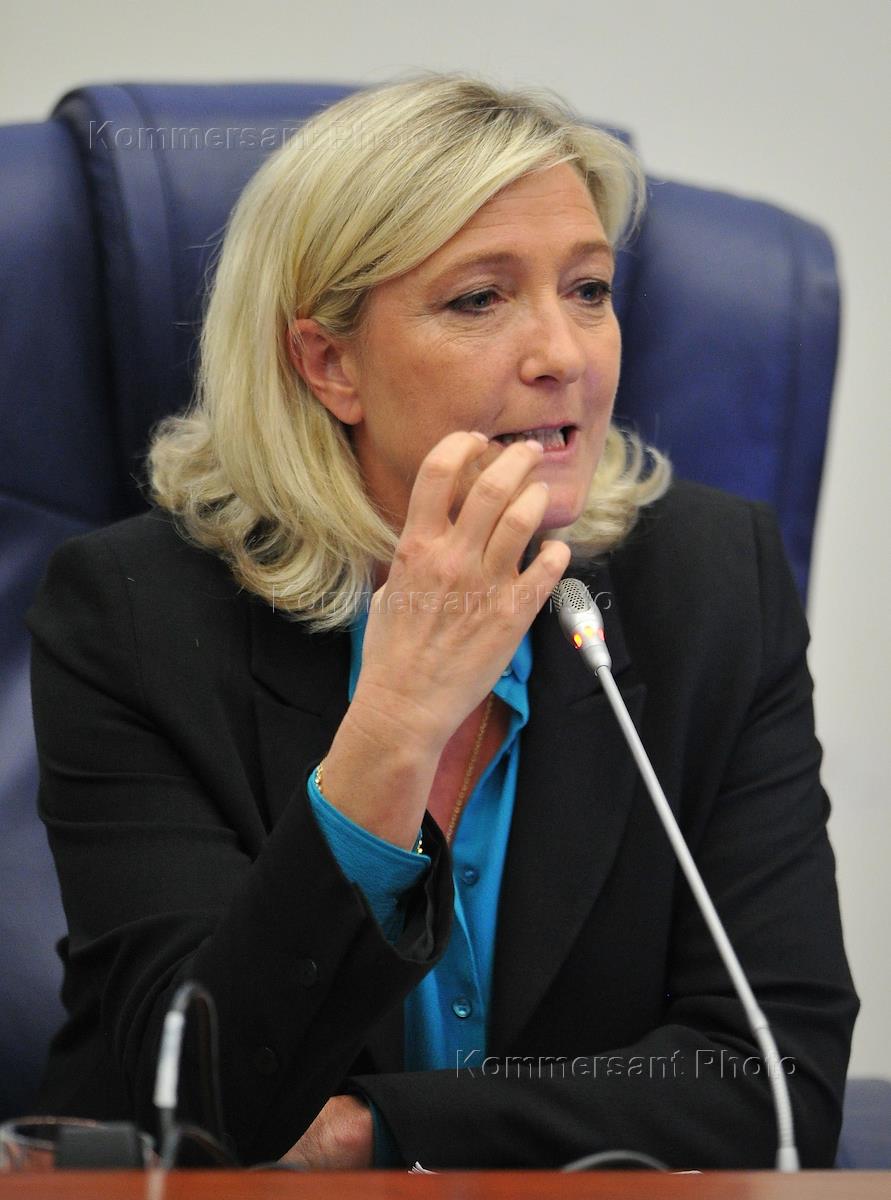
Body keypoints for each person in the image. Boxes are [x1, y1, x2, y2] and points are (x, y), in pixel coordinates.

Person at [27, 74, 857, 1170]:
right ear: (328, 364)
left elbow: (777, 1078)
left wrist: (374, 1133)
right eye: (479, 300)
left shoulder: (710, 586)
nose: (564, 354)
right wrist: (398, 723)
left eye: (590, 289)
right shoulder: (130, 616)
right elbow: (203, 1103)